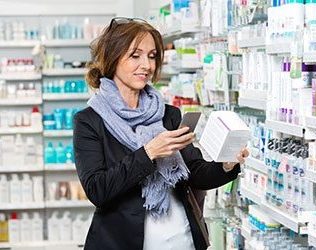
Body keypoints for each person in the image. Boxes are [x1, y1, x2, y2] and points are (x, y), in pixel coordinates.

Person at [73, 17, 249, 250]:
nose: (146, 65)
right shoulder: (89, 121)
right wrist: (149, 153)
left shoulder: (169, 115)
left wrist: (226, 164)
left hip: (182, 240)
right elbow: (98, 190)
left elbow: (195, 173)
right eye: (135, 56)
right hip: (122, 242)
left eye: (152, 56)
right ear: (113, 59)